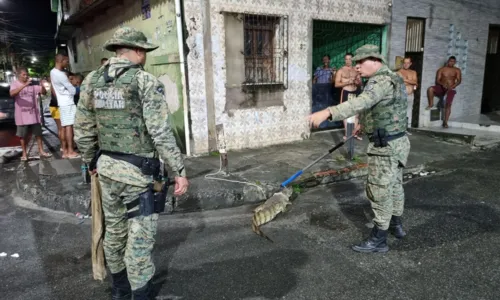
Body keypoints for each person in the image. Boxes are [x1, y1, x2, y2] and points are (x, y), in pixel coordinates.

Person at [74, 26, 189, 299]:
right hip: (138, 177)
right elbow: (160, 132)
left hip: (107, 173)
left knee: (114, 233)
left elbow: (83, 129)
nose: (145, 56)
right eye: (144, 51)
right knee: (139, 243)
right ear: (137, 51)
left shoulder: (91, 80)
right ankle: (140, 294)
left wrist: (90, 160)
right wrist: (179, 171)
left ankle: (119, 291)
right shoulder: (144, 82)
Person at [308, 44, 411, 253]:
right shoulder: (395, 77)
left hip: (385, 147)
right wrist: (365, 125)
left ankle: (379, 239)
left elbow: (363, 101)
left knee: (380, 190)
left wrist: (327, 112)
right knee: (395, 186)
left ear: (375, 60)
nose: (356, 66)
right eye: (355, 62)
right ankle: (396, 226)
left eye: (360, 62)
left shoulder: (379, 80)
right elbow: (385, 107)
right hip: (399, 141)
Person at [9, 67, 51, 161]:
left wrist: (42, 85)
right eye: (24, 75)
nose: (26, 76)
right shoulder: (14, 84)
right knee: (22, 135)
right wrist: (24, 85)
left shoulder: (32, 84)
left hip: (34, 115)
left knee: (38, 133)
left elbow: (43, 93)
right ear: (19, 75)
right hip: (21, 116)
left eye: (27, 74)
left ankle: (41, 151)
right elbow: (12, 94)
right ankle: (24, 153)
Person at [50, 53, 79, 158]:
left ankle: (65, 151)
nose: (67, 63)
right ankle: (70, 151)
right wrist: (78, 88)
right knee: (69, 128)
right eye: (66, 61)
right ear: (61, 61)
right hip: (68, 103)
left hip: (62, 103)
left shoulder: (52, 72)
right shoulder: (61, 75)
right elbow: (72, 91)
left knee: (64, 127)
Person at [425, 56, 462, 128]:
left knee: (448, 105)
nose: (451, 63)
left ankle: (445, 122)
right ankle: (431, 104)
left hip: (451, 89)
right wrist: (443, 84)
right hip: (442, 87)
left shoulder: (457, 70)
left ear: (455, 62)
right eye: (450, 61)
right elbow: (438, 80)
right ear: (448, 61)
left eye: (453, 62)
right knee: (430, 89)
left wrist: (453, 86)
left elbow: (459, 80)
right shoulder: (441, 69)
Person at [335, 53, 363, 140]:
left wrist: (357, 82)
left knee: (356, 113)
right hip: (346, 92)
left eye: (350, 59)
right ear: (344, 60)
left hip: (356, 91)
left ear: (352, 59)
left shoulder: (356, 70)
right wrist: (348, 82)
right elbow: (336, 84)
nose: (348, 61)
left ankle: (354, 133)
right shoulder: (341, 70)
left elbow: (360, 83)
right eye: (346, 59)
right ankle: (347, 134)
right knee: (345, 113)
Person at [397, 57, 418, 128]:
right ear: (403, 63)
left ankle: (407, 127)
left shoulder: (413, 72)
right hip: (401, 94)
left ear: (410, 64)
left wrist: (404, 79)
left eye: (408, 63)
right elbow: (399, 82)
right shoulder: (398, 72)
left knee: (409, 111)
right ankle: (399, 128)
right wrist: (410, 81)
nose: (406, 64)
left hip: (410, 95)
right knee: (400, 110)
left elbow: (415, 82)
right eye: (404, 63)